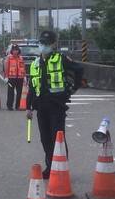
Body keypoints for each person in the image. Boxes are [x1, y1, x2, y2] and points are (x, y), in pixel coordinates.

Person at [26, 31, 84, 179]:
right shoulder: (35, 63)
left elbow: (79, 69)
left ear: (53, 44)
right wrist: (28, 107)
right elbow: (32, 87)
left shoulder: (61, 59)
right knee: (45, 138)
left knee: (57, 138)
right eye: (41, 43)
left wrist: (73, 88)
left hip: (56, 105)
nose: (43, 46)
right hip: (41, 107)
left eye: (47, 43)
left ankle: (61, 168)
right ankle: (50, 167)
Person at [4, 45, 26, 111]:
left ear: (18, 50)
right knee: (10, 92)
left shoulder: (21, 58)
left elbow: (23, 67)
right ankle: (9, 106)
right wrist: (6, 76)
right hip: (11, 77)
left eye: (16, 50)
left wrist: (24, 76)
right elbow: (6, 67)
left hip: (20, 77)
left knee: (19, 92)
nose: (15, 51)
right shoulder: (9, 58)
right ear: (12, 51)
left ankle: (18, 106)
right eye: (14, 50)